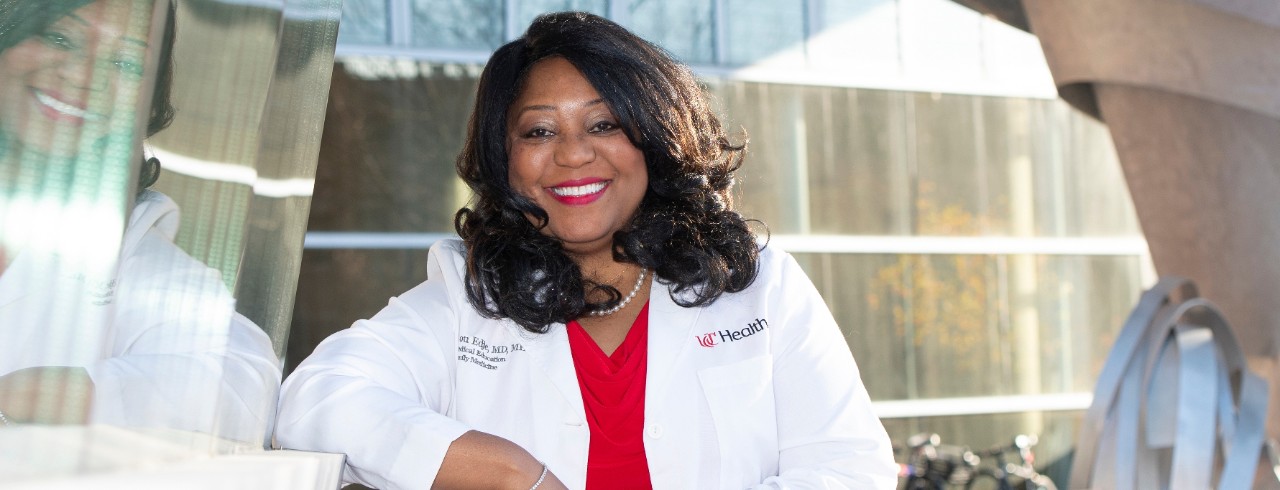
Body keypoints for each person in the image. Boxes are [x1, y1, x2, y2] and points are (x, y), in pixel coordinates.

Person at [275, 11, 897, 489]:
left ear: (654, 138)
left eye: (603, 125)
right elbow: (317, 398)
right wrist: (517, 476)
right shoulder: (466, 302)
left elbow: (849, 470)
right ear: (507, 160)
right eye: (540, 131)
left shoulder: (761, 288)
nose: (573, 154)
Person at [0, 0, 280, 444]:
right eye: (57, 38)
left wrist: (31, 398)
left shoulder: (135, 258)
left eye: (126, 61)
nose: (82, 75)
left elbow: (241, 385)